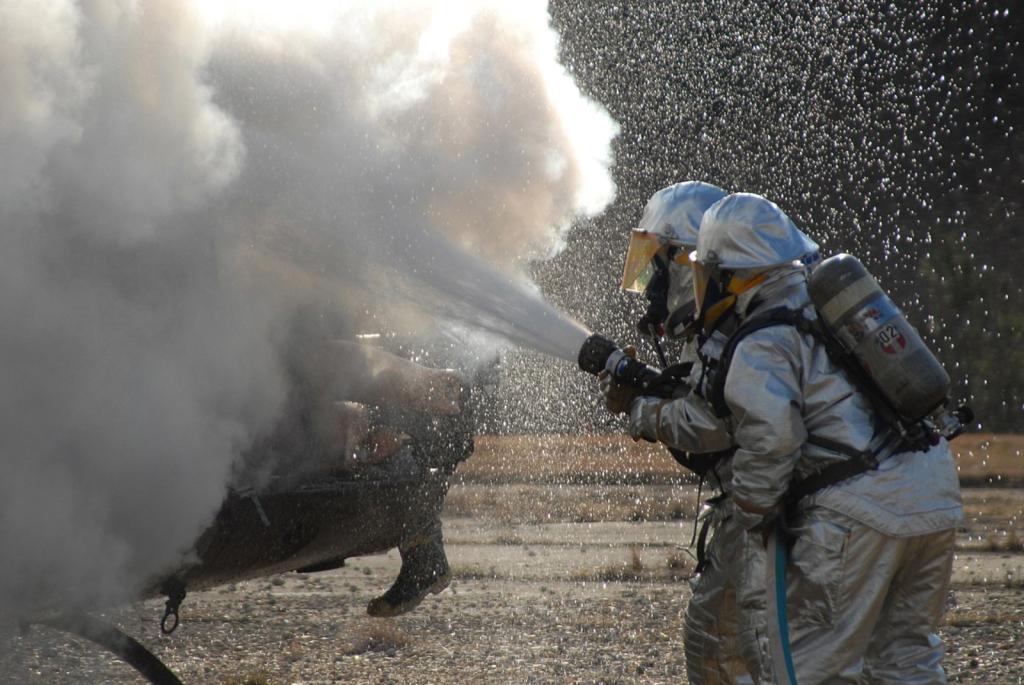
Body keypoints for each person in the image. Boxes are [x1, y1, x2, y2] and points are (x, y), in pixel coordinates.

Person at [676, 192, 962, 683]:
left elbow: (770, 441)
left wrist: (750, 514)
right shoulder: (824, 303)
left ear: (730, 273)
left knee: (812, 669)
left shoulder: (763, 336)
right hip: (934, 492)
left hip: (857, 513)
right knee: (905, 661)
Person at [603, 181, 766, 684]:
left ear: (689, 260)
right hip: (762, 505)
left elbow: (718, 426)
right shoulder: (734, 322)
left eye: (659, 264)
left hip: (765, 509)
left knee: (719, 646)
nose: (652, 287)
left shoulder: (738, 330)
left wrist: (643, 412)